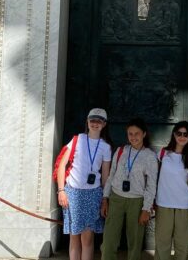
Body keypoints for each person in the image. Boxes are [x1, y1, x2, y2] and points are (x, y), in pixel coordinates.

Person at [56, 108, 112, 260]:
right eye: (92, 120)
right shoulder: (77, 140)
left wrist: (105, 198)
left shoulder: (105, 147)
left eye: (99, 121)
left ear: (104, 124)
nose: (95, 123)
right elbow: (62, 165)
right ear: (87, 122)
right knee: (74, 237)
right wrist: (61, 191)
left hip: (93, 194)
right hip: (72, 192)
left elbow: (105, 176)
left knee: (87, 239)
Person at [101, 118, 158, 260]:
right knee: (108, 241)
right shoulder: (121, 151)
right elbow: (111, 175)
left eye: (137, 133)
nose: (133, 137)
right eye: (130, 134)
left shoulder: (150, 156)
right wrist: (105, 198)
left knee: (135, 243)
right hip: (116, 198)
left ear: (144, 134)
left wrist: (146, 209)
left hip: (137, 202)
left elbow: (151, 185)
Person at [155, 121, 188, 260]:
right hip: (164, 203)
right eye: (179, 133)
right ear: (174, 134)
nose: (182, 137)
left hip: (183, 205)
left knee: (182, 245)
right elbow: (155, 176)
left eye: (185, 134)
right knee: (162, 243)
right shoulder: (163, 153)